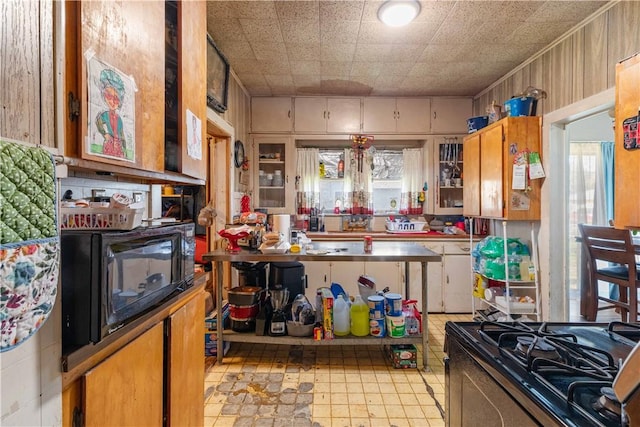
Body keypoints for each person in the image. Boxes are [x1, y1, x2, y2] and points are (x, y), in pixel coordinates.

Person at [95, 69, 127, 158]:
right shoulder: (104, 115)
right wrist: (105, 134)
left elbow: (122, 135)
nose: (112, 101)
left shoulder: (119, 120)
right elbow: (99, 123)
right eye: (109, 96)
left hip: (118, 149)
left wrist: (124, 150)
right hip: (108, 146)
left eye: (116, 99)